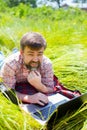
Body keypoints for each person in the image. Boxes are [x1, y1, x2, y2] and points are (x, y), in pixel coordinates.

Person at [1, 32, 54, 106]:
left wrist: (39, 85)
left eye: (39, 54)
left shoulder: (46, 64)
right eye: (30, 54)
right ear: (22, 53)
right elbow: (8, 91)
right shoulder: (10, 64)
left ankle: (15, 51)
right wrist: (29, 98)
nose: (35, 59)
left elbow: (50, 88)